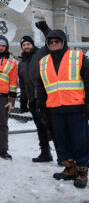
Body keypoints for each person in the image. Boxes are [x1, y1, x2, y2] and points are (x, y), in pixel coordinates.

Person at [35, 29, 89, 188]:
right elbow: (41, 87)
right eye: (50, 42)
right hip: (55, 109)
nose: (53, 44)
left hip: (76, 107)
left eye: (56, 41)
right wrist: (41, 108)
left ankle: (82, 170)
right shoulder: (43, 62)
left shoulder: (77, 56)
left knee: (80, 141)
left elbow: (88, 80)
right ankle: (70, 168)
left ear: (63, 42)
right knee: (62, 141)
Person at [18, 34, 53, 162]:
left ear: (32, 45)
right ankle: (45, 153)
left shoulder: (40, 56)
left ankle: (63, 156)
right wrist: (23, 99)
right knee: (40, 128)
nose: (26, 46)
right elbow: (22, 84)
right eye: (24, 45)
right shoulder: (21, 64)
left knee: (52, 126)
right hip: (32, 100)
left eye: (28, 44)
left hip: (45, 97)